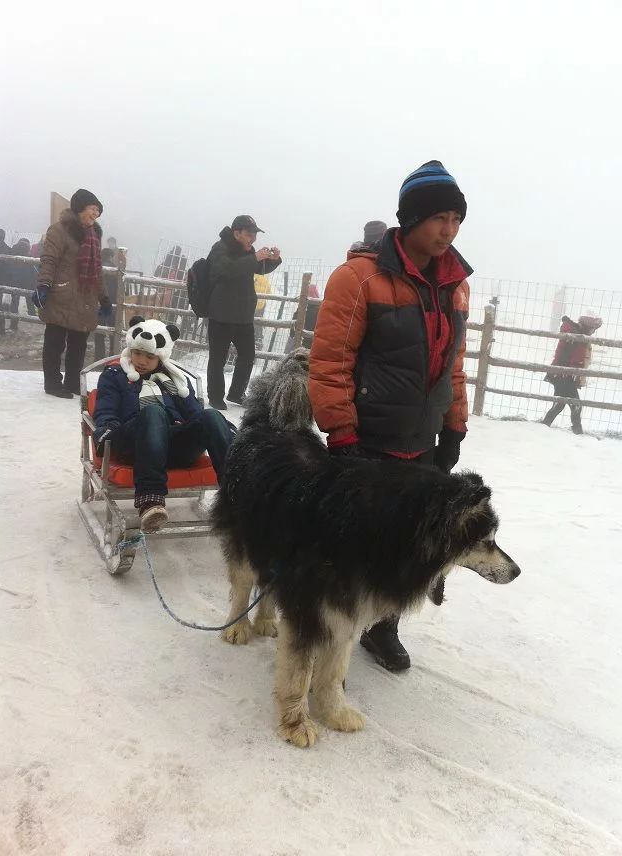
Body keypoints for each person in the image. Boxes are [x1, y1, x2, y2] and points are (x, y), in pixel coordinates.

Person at [309, 160, 471, 672]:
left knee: (406, 542)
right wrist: (342, 432)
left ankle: (382, 627)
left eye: (456, 219)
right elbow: (331, 361)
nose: (448, 229)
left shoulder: (456, 284)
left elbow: (454, 363)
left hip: (423, 437)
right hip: (369, 438)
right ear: (411, 217)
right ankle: (325, 633)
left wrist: (454, 425)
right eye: (439, 217)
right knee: (350, 543)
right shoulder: (359, 278)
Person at [93, 315, 235, 533]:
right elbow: (106, 411)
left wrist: (224, 429)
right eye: (137, 353)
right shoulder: (115, 375)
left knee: (211, 415)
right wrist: (106, 433)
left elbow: (196, 414)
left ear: (161, 356)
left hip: (174, 446)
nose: (142, 361)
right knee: (153, 412)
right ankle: (150, 501)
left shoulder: (175, 379)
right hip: (134, 443)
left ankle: (237, 495)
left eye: (150, 356)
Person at [32, 189, 112, 398]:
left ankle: (72, 383)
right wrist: (43, 285)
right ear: (80, 208)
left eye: (98, 211)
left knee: (79, 344)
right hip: (62, 294)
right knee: (55, 342)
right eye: (93, 209)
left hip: (85, 298)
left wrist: (104, 297)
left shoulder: (94, 235)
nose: (96, 214)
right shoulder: (59, 230)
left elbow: (97, 270)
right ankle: (52, 384)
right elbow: (49, 260)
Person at [206, 215, 282, 409]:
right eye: (249, 234)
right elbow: (228, 269)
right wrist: (254, 258)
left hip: (243, 317)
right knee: (218, 358)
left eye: (255, 234)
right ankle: (215, 397)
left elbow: (257, 268)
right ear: (236, 233)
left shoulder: (248, 250)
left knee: (247, 356)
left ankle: (237, 393)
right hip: (221, 314)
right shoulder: (220, 248)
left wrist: (273, 260)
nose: (253, 238)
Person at [542, 311, 603, 434]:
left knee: (561, 404)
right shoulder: (574, 336)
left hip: (566, 375)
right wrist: (567, 373)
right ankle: (577, 432)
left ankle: (545, 425)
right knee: (574, 405)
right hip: (564, 375)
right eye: (592, 328)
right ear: (586, 327)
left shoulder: (578, 335)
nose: (593, 331)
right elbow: (564, 356)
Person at [284, 282, 321, 353]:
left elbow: (293, 328)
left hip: (297, 341)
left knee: (289, 353)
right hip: (310, 344)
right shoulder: (319, 308)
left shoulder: (302, 306)